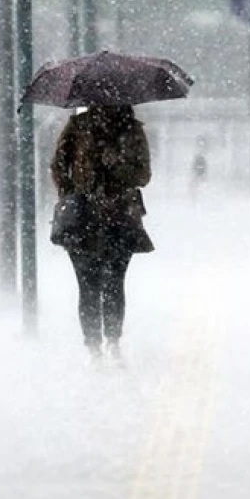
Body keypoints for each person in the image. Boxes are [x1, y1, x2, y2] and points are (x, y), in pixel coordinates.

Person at [50, 104, 154, 364]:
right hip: (83, 218)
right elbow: (58, 165)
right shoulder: (78, 127)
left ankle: (112, 341)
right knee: (88, 285)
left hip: (119, 216)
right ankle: (94, 346)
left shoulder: (132, 130)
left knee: (114, 283)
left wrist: (116, 164)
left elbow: (143, 175)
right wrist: (71, 194)